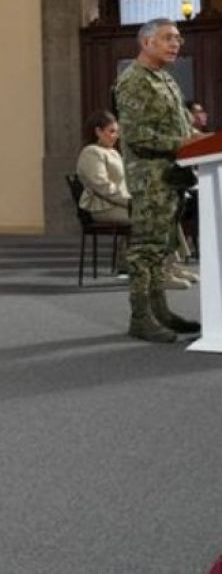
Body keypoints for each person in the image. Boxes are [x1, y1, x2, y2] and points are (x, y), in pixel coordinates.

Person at [112, 18, 207, 342]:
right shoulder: (133, 81)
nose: (176, 43)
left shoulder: (164, 78)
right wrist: (185, 144)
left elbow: (180, 127)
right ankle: (140, 318)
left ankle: (160, 312)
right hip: (151, 179)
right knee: (145, 251)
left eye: (178, 38)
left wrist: (202, 139)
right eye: (168, 38)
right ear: (146, 42)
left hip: (171, 176)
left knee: (161, 249)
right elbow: (137, 136)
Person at [76, 110, 131, 225]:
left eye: (117, 132)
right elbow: (102, 186)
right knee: (149, 220)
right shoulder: (91, 152)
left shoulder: (113, 152)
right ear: (98, 132)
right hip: (104, 207)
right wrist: (129, 201)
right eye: (112, 131)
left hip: (119, 203)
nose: (116, 136)